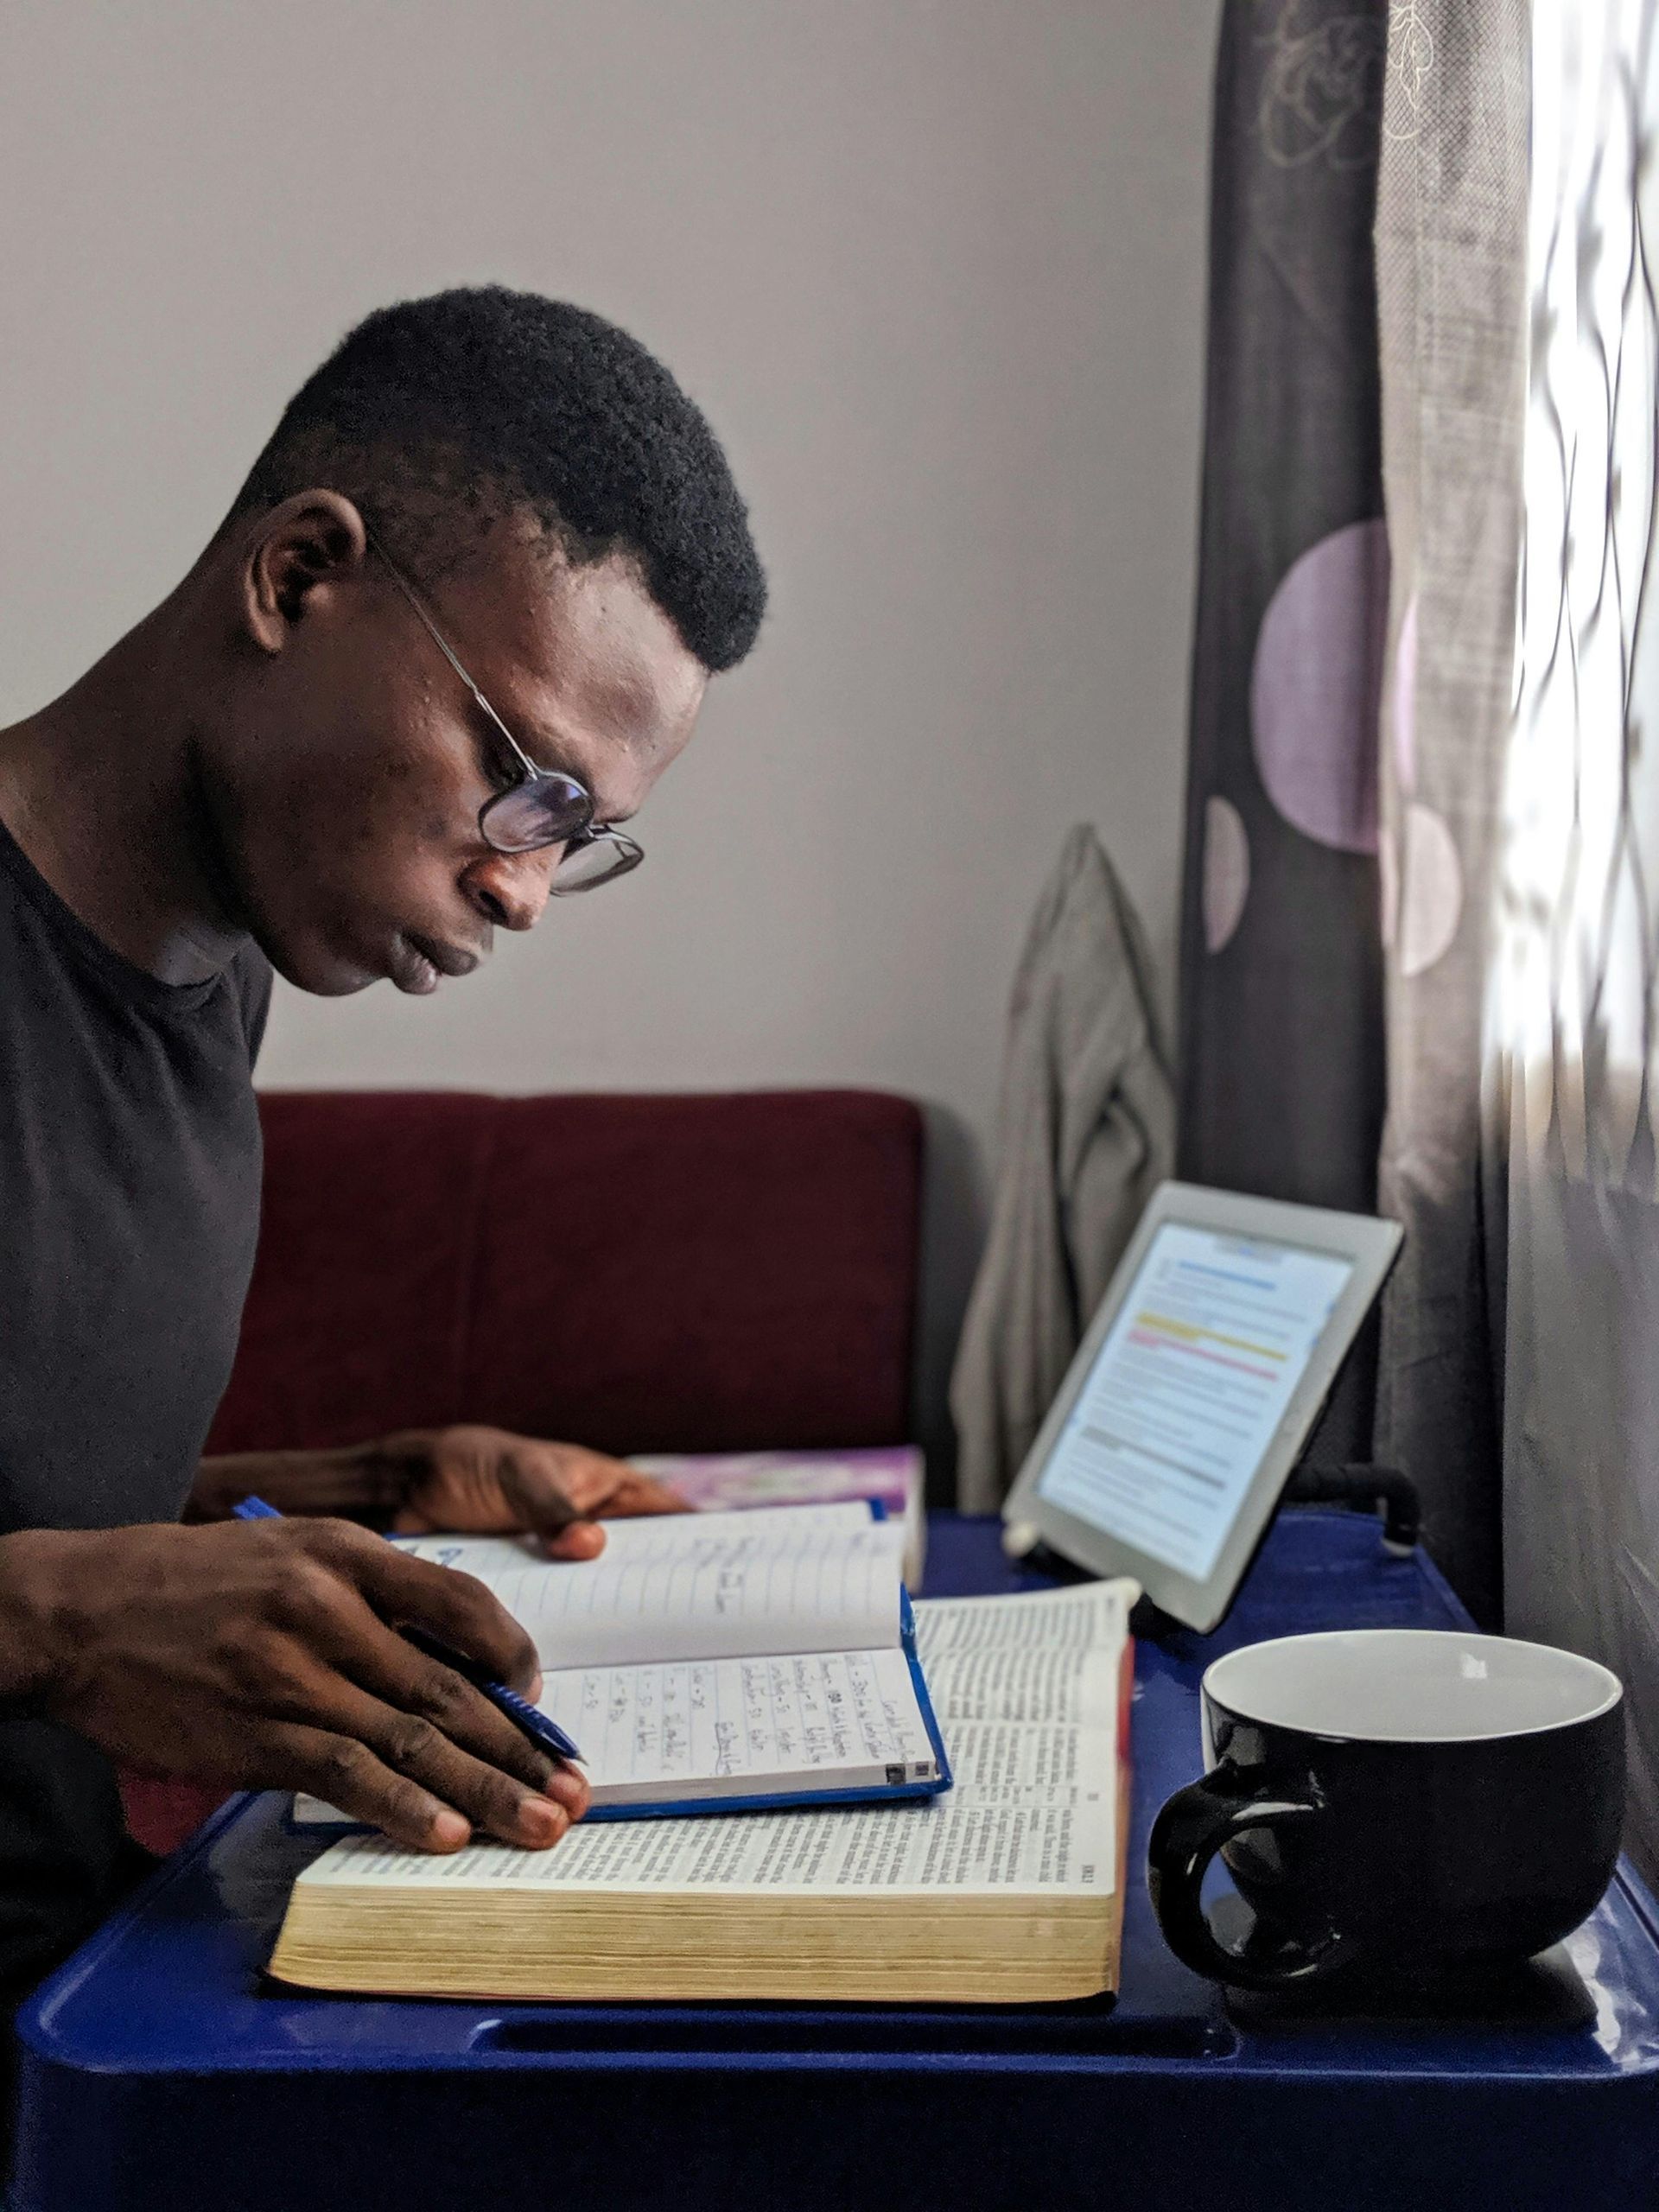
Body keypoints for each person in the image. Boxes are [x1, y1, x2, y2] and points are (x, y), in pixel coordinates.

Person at [0, 287, 767, 2024]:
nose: (522, 886)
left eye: (583, 843)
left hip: (86, 1999)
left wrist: (365, 1488)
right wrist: (49, 1623)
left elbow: (40, 1503)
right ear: (296, 578)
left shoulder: (213, 980)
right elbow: (50, 1586)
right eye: (529, 786)